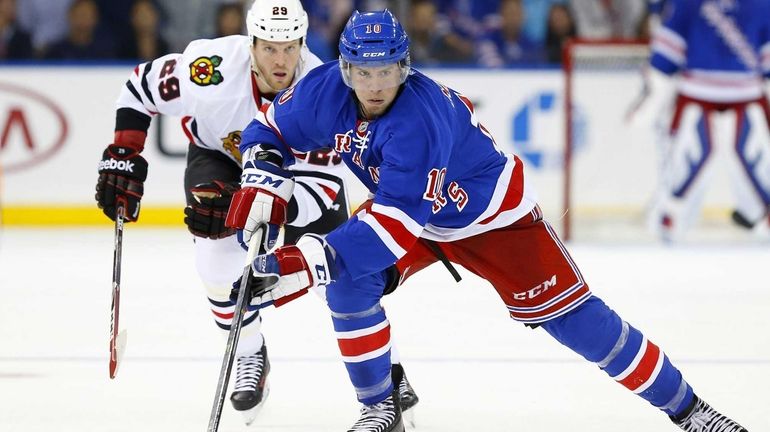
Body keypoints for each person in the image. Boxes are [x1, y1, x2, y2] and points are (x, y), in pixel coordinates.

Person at [227, 9, 750, 432]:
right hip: (417, 213)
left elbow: (392, 230)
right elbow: (266, 131)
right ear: (344, 70)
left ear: (404, 69)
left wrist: (295, 262)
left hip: (493, 219)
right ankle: (380, 407)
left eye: (386, 71)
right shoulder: (323, 91)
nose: (375, 85)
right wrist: (263, 181)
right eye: (363, 72)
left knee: (581, 325)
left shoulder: (419, 120)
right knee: (348, 287)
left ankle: (690, 410)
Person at [94, 0, 418, 425]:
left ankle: (385, 373)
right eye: (269, 48)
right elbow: (140, 87)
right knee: (215, 265)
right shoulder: (206, 68)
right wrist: (124, 152)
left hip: (296, 178)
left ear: (303, 43)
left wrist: (257, 205)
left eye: (289, 48)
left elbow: (321, 187)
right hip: (220, 159)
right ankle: (250, 355)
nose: (280, 60)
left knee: (343, 277)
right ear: (251, 44)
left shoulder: (326, 89)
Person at [632, 0, 770, 240]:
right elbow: (667, 51)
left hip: (743, 96)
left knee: (753, 161)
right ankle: (670, 217)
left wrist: (653, 93)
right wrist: (653, 96)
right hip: (699, 95)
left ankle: (760, 214)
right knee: (688, 164)